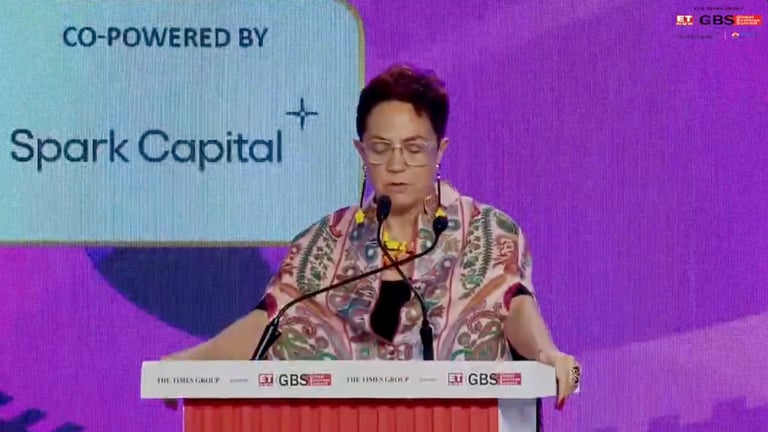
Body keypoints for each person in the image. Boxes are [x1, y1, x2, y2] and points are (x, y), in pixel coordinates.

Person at [163, 63, 581, 409]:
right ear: (361, 153)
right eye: (380, 148)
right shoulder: (323, 241)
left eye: (413, 148)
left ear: (440, 151)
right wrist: (190, 362)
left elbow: (513, 304)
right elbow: (270, 320)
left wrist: (546, 352)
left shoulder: (488, 231)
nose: (396, 165)